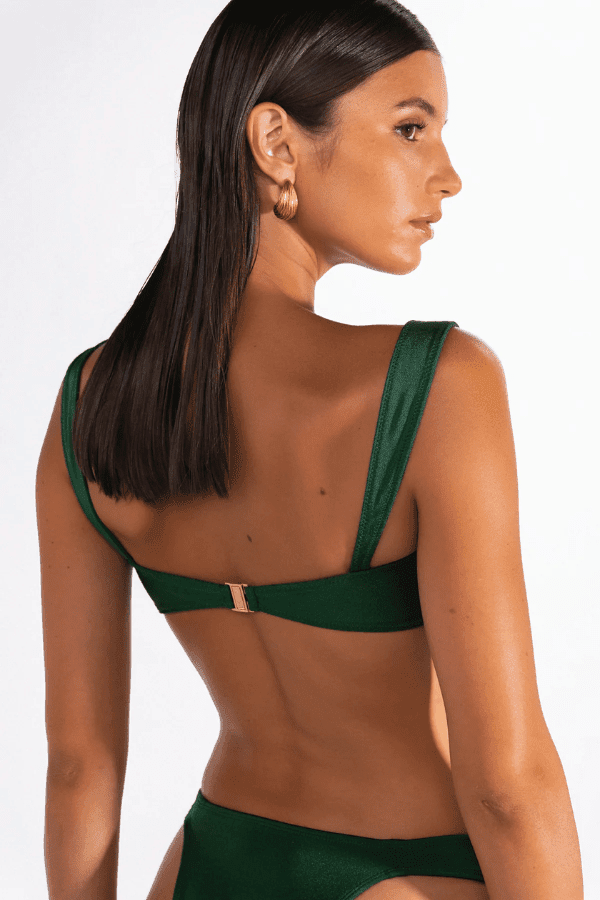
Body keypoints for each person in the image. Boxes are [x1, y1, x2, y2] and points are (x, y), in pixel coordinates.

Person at [36, 2, 584, 899]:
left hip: (209, 865)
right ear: (276, 144)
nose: (448, 176)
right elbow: (508, 787)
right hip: (405, 875)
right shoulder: (437, 388)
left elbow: (78, 766)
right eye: (411, 128)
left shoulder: (88, 405)